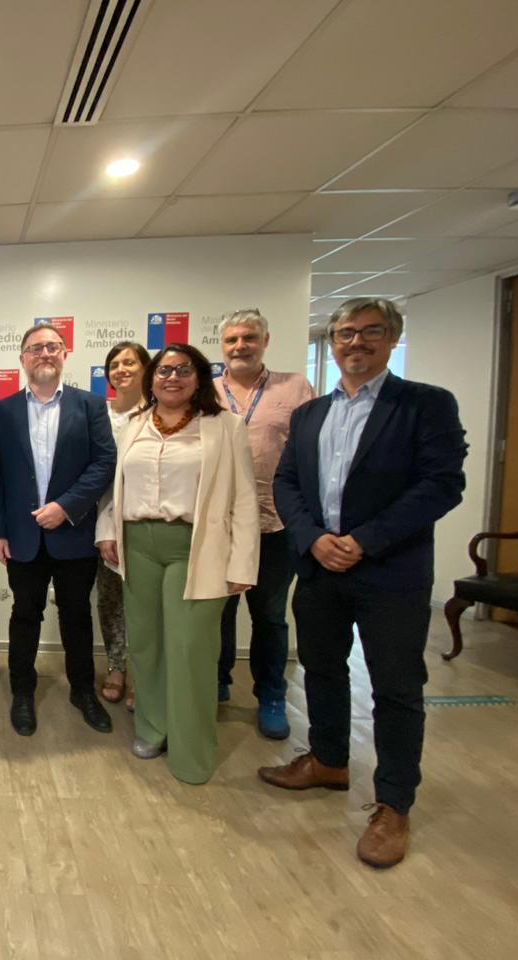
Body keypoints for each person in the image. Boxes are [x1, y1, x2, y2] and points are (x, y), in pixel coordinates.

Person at [259, 297, 467, 869]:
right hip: (320, 565)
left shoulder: (425, 404)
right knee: (321, 668)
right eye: (345, 333)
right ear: (332, 343)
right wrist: (312, 538)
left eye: (371, 331)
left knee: (395, 687)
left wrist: (366, 540)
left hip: (390, 571)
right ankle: (328, 760)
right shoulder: (310, 414)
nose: (356, 342)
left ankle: (394, 803)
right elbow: (286, 482)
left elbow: (442, 484)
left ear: (392, 338)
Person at [95, 343, 259, 784]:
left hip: (196, 547)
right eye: (164, 371)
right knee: (146, 643)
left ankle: (191, 750)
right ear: (152, 379)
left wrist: (242, 564)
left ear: (200, 377)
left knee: (190, 650)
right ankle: (153, 727)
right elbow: (118, 485)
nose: (172, 378)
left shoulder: (225, 426)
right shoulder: (135, 424)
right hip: (138, 545)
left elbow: (245, 498)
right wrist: (107, 530)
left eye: (183, 370)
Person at [0, 322, 117, 737]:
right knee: (25, 615)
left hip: (73, 533)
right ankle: (22, 692)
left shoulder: (90, 405)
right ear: (22, 358)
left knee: (77, 616)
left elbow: (104, 463)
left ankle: (83, 691)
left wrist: (66, 506)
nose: (45, 353)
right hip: (22, 538)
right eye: (36, 348)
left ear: (64, 354)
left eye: (53, 347)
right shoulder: (0, 411)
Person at [214, 309, 315, 739]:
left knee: (270, 616)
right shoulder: (205, 390)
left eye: (249, 338)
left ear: (265, 340)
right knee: (216, 613)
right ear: (222, 345)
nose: (240, 346)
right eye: (232, 340)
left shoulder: (295, 388)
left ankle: (271, 695)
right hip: (219, 526)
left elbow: (311, 453)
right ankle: (216, 682)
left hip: (276, 523)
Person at [96, 341, 149, 709]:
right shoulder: (98, 413)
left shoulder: (159, 412)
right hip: (99, 518)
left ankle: (145, 675)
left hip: (143, 518)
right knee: (111, 598)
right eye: (114, 364)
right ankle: (116, 666)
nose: (121, 370)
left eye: (129, 362)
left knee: (145, 602)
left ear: (146, 368)